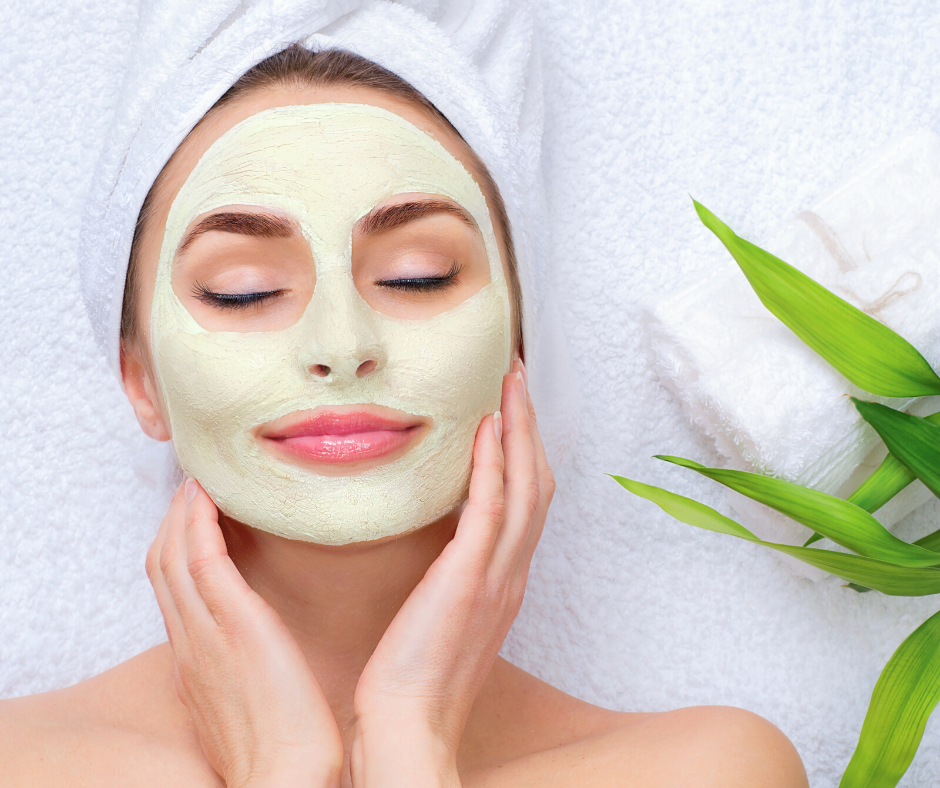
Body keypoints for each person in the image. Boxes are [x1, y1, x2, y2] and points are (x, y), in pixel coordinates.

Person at [0, 31, 807, 788]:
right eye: (241, 289)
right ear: (141, 379)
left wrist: (410, 737)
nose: (343, 342)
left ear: (518, 347)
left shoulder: (705, 770)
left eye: (417, 275)